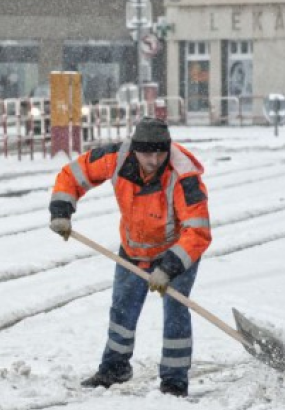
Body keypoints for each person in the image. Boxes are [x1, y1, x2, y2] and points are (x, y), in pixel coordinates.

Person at [48, 117, 212, 398]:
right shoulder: (116, 158)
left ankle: (174, 381)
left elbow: (198, 232)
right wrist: (61, 210)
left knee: (175, 313)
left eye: (160, 152)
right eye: (147, 153)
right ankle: (114, 368)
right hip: (134, 249)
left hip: (178, 251)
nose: (154, 160)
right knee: (122, 309)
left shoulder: (183, 176)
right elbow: (72, 175)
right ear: (135, 149)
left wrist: (169, 268)